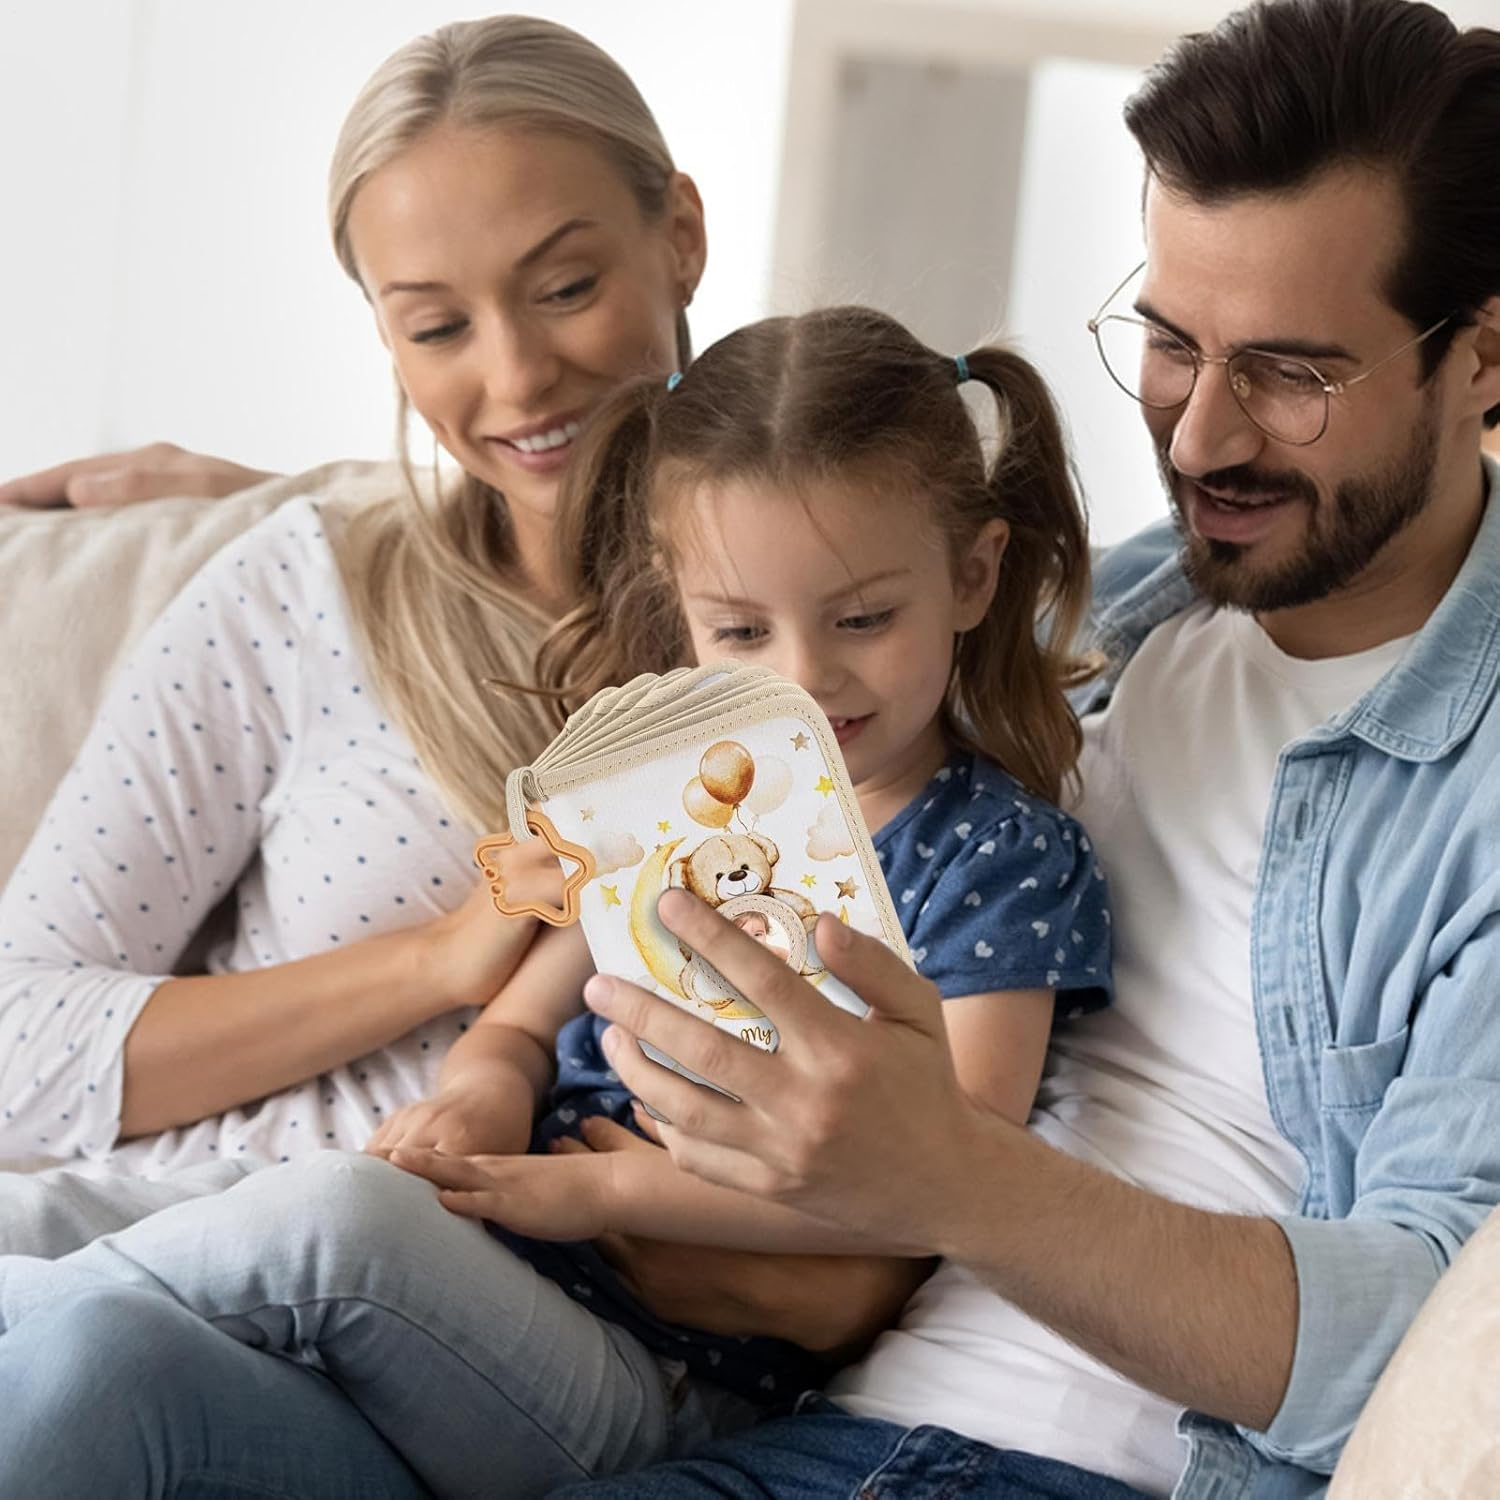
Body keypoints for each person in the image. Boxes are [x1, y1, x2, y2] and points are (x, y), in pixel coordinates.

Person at [543, 1, 1500, 1496]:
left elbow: (1434, 1341)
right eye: (1173, 344)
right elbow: (755, 579)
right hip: (813, 1414)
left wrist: (938, 1171)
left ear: (1486, 356)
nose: (1196, 440)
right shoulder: (1119, 606)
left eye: (1293, 373)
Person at [0, 304, 1119, 1498]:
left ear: (973, 575)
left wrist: (602, 1190)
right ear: (683, 612)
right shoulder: (675, 799)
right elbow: (525, 1020)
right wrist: (483, 1092)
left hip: (658, 1373)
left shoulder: (996, 858)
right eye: (740, 631)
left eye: (862, 620)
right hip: (495, 1266)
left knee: (331, 1223)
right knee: (146, 1230)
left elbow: (951, 1181)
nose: (804, 677)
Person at [0, 13, 711, 1244]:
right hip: (153, 1231)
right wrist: (439, 958)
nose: (517, 374)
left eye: (566, 289)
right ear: (386, 335)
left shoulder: (822, 633)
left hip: (454, 1311)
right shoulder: (303, 588)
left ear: (681, 237)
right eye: (438, 327)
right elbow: (16, 1048)